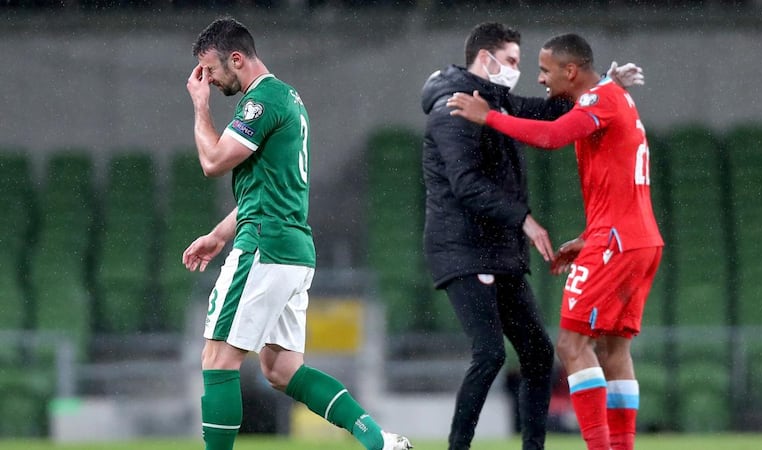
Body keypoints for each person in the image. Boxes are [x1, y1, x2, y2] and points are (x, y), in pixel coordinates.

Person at [183, 17, 411, 450]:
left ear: (236, 59)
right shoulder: (288, 98)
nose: (207, 81)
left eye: (210, 70)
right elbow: (268, 190)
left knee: (218, 360)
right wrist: (218, 234)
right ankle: (379, 442)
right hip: (291, 248)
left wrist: (198, 107)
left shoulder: (262, 101)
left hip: (264, 246)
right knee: (282, 370)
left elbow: (212, 161)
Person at [421, 22, 644, 450]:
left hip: (498, 248)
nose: (521, 73)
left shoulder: (496, 100)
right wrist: (525, 219)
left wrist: (603, 89)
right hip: (463, 248)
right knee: (489, 354)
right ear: (485, 58)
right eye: (510, 61)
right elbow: (465, 184)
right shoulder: (451, 109)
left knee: (540, 355)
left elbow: (552, 115)